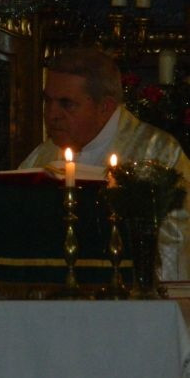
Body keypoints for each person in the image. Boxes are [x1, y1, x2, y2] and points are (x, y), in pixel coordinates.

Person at [19, 46, 190, 280]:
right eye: (47, 101)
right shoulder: (41, 157)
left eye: (66, 104)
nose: (51, 114)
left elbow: (176, 247)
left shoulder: (160, 155)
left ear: (105, 107)